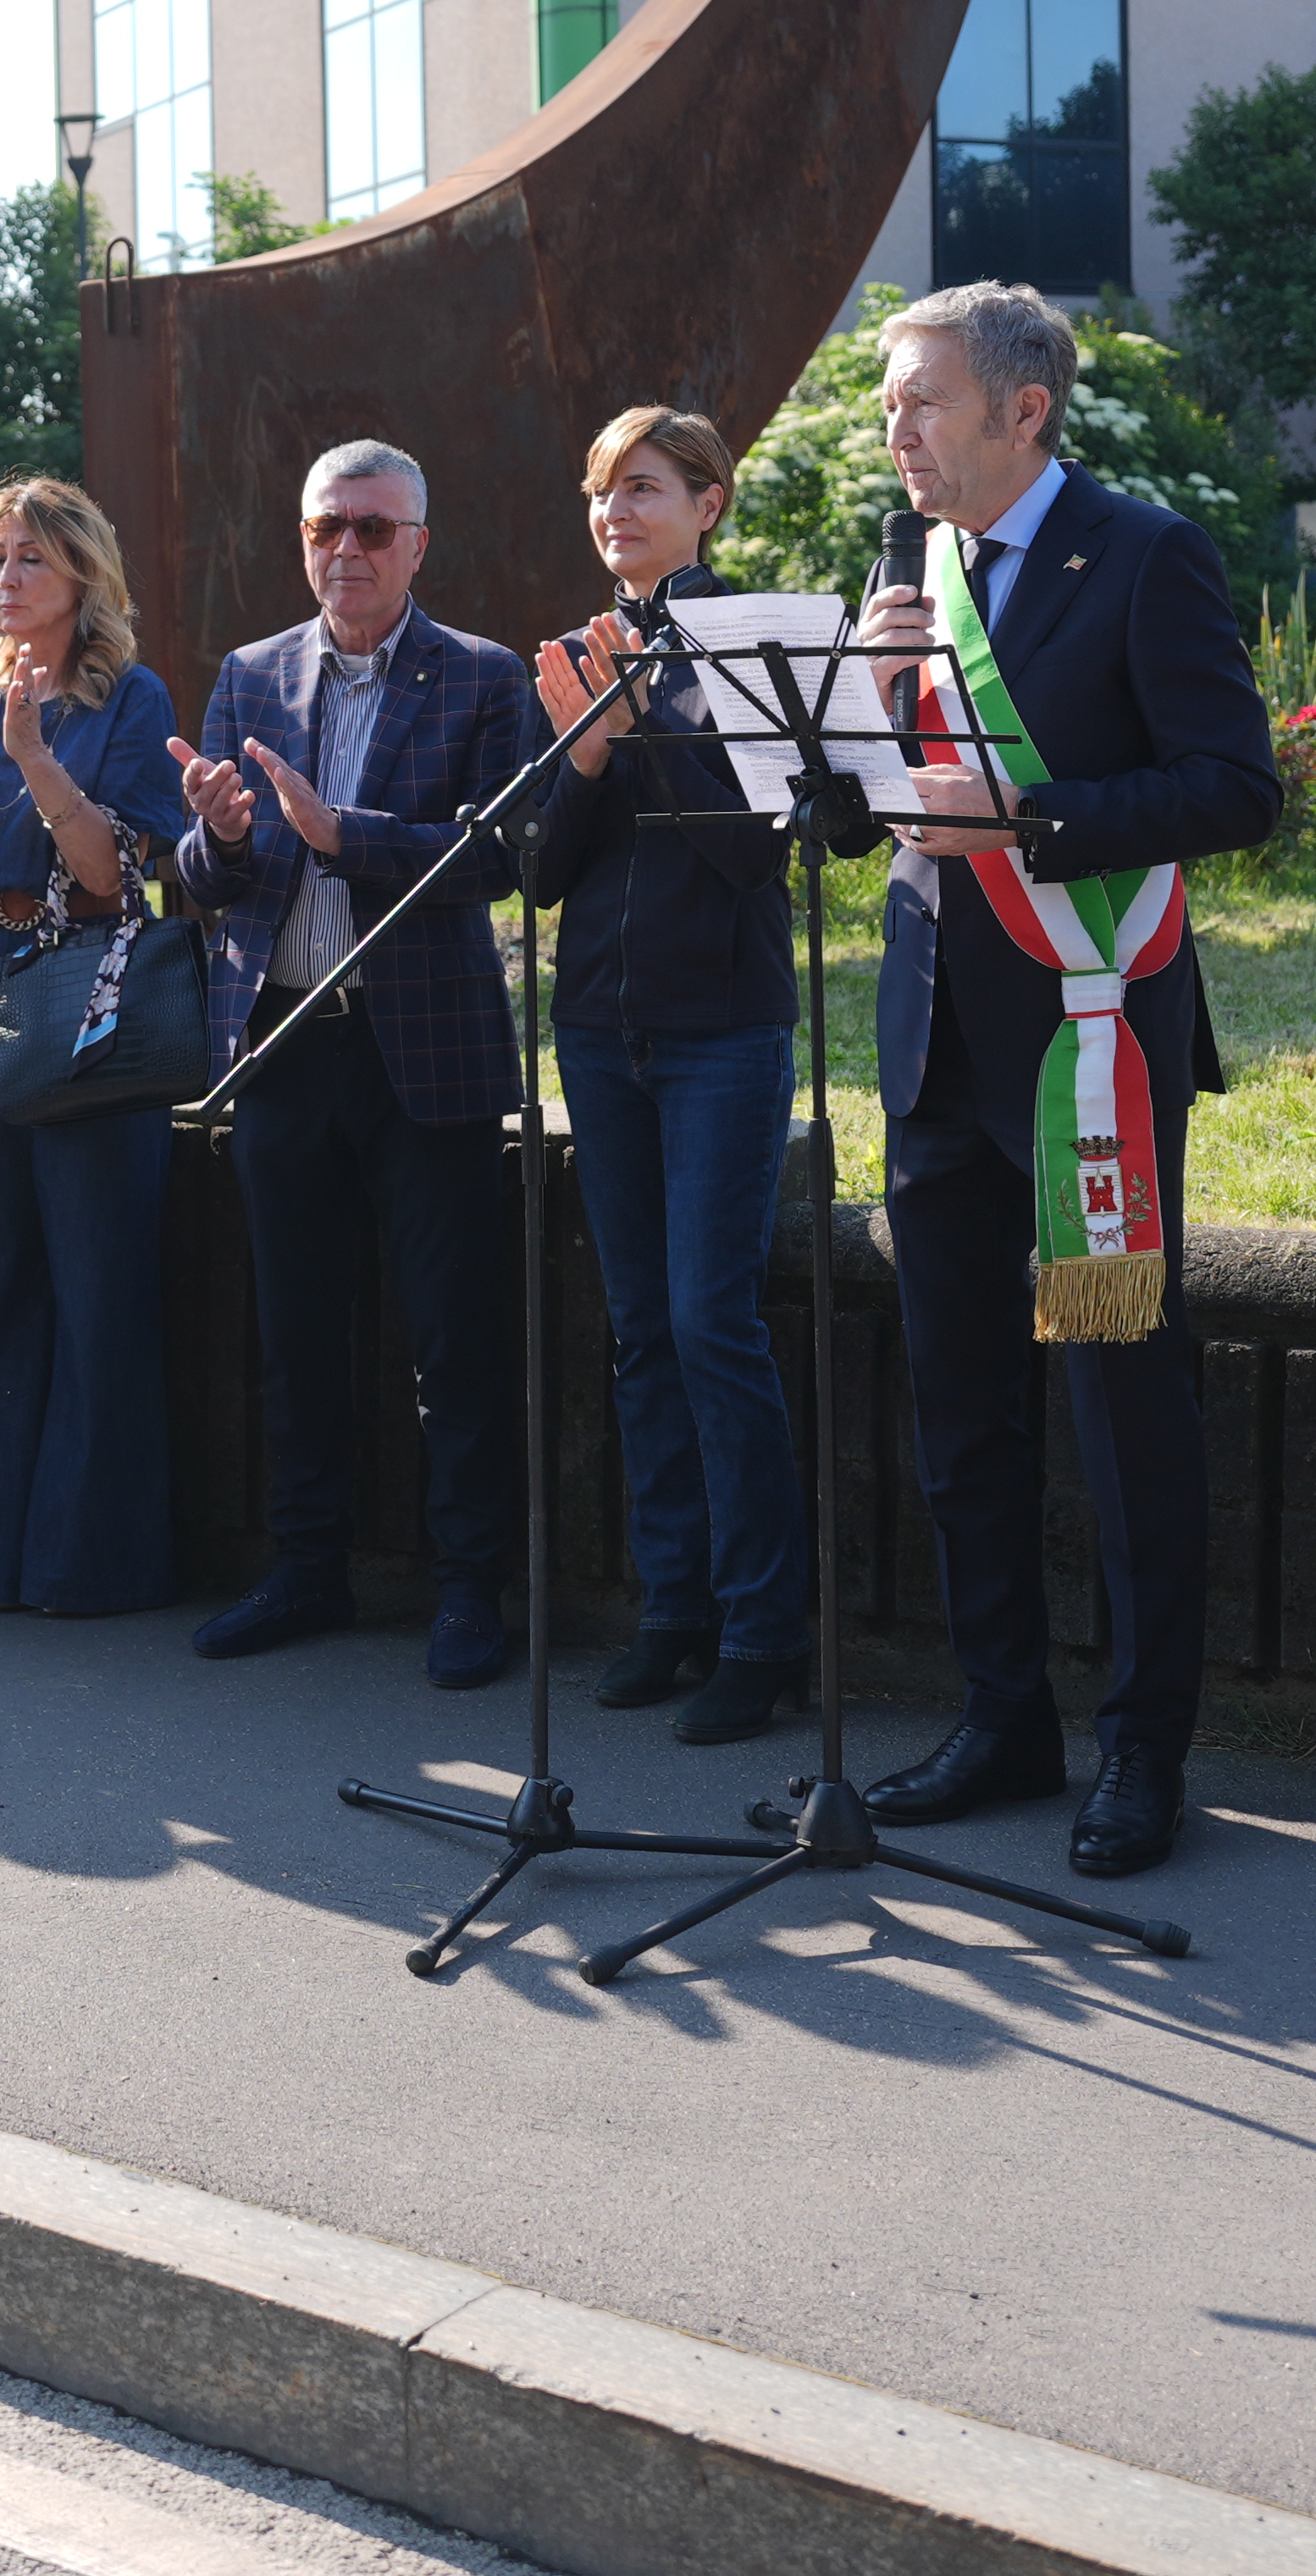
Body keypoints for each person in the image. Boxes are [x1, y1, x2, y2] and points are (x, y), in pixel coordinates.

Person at [844, 284, 1280, 1878]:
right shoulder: (912, 573)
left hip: (1086, 1040)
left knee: (1120, 1404)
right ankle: (1000, 1715)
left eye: (919, 402)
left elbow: (1235, 788)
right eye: (891, 407)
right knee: (960, 1403)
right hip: (936, 1038)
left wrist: (1031, 827)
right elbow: (858, 821)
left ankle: (1144, 1748)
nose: (895, 433)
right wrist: (862, 718)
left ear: (1024, 410)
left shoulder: (1142, 553)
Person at [168, 440, 548, 1689]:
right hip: (281, 1042)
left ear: (420, 544)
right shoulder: (250, 675)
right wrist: (218, 841)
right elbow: (213, 883)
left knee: (455, 1337)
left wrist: (349, 835)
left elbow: (503, 855)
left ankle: (470, 1590)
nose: (347, 549)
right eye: (326, 525)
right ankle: (307, 1567)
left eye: (374, 530)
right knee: (297, 1331)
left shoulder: (485, 678)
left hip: (424, 1052)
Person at [525, 408, 810, 1740]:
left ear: (710, 504)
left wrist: (643, 721)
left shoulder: (751, 649)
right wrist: (585, 746)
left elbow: (763, 853)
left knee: (712, 1323)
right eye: (599, 493)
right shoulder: (584, 657)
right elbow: (534, 870)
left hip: (722, 1035)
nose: (614, 513)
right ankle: (674, 1611)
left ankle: (763, 1638)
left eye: (641, 489)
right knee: (640, 1333)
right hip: (600, 1027)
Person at [0, 477, 191, 1616]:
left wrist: (41, 759)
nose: (6, 580)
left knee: (95, 1282)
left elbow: (120, 876)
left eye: (31, 563)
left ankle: (85, 1567)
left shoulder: (129, 693)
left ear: (81, 581)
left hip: (86, 1004)